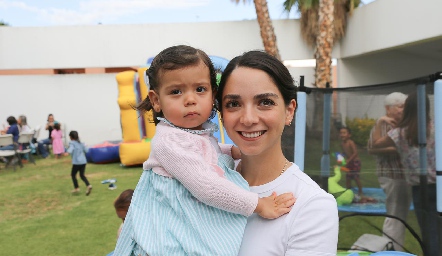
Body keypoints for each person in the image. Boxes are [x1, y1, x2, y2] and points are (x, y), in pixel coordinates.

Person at [114, 45, 295, 256]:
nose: (190, 99)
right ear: (156, 101)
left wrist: (231, 151)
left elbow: (205, 152)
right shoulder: (168, 141)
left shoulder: (191, 133)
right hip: (171, 232)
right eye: (176, 91)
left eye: (200, 89)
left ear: (213, 94)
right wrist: (258, 204)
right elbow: (206, 186)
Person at [216, 50, 339, 255]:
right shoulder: (208, 180)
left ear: (289, 111)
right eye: (234, 104)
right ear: (222, 114)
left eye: (265, 102)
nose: (248, 119)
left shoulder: (312, 206)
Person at [372, 91, 438, 256]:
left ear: (407, 108)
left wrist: (380, 122)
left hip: (420, 188)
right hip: (439, 184)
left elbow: (375, 145)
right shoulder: (436, 127)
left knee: (428, 231)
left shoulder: (400, 133)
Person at [367, 92, 411, 251]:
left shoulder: (402, 124)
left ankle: (393, 248)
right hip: (391, 175)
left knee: (400, 213)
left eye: (404, 107)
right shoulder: (384, 124)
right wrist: (400, 148)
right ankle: (392, 250)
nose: (402, 110)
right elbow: (372, 148)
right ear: (388, 108)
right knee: (395, 214)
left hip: (402, 175)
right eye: (399, 107)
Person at [63, 131, 92, 196]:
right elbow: (86, 150)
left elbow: (71, 148)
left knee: (73, 175)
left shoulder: (72, 143)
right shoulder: (81, 143)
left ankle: (76, 188)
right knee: (82, 175)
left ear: (71, 137)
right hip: (83, 162)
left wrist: (67, 152)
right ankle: (88, 185)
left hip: (77, 162)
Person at [339, 126, 363, 196]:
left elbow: (355, 153)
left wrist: (349, 160)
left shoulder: (350, 142)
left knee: (356, 177)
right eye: (341, 133)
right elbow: (344, 152)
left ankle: (360, 191)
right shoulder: (342, 144)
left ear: (349, 135)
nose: (342, 134)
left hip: (355, 162)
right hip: (349, 162)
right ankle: (348, 191)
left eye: (344, 133)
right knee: (348, 177)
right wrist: (341, 156)